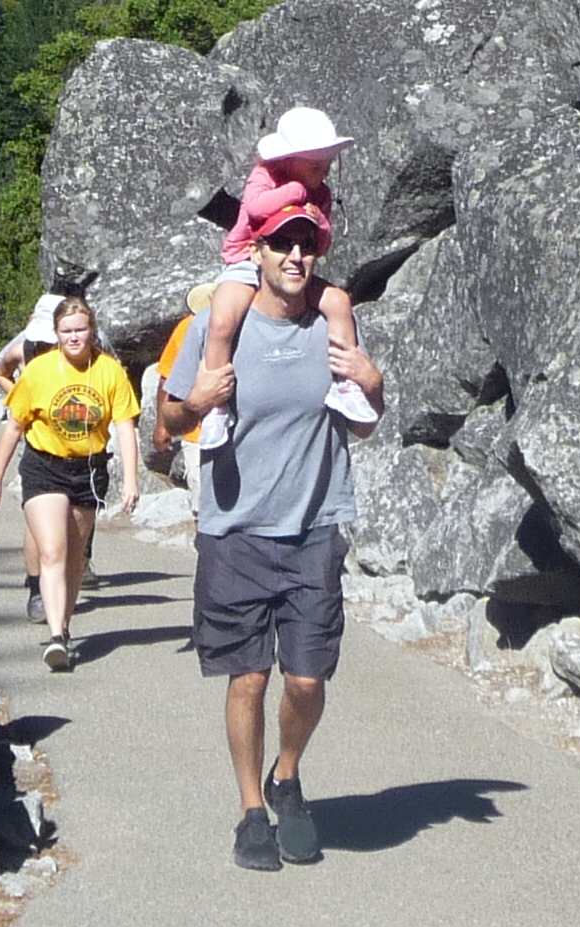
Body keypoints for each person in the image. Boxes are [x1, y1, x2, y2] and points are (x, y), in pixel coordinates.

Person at [160, 204, 383, 871]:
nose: (293, 254)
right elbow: (167, 418)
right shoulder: (216, 325)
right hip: (234, 530)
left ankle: (288, 776)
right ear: (255, 251)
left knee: (307, 680)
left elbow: (362, 422)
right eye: (281, 243)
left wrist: (374, 383)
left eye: (305, 243)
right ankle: (251, 808)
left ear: (318, 251)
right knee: (249, 676)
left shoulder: (332, 324)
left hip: (313, 528)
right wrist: (194, 401)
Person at [198, 106, 375, 450]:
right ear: (288, 159)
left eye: (326, 164)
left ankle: (345, 384)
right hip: (247, 260)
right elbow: (257, 208)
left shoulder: (321, 192)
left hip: (294, 270)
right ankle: (216, 404)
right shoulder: (264, 176)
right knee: (221, 320)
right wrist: (296, 194)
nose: (322, 171)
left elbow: (321, 244)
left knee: (339, 302)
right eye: (314, 165)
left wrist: (318, 221)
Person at [0, 296, 141, 671]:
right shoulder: (38, 371)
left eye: (80, 330)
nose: (74, 337)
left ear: (92, 331)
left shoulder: (109, 371)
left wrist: (131, 479)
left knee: (74, 557)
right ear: (56, 334)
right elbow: (15, 427)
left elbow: (125, 426)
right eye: (66, 331)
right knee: (52, 551)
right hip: (44, 467)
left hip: (88, 469)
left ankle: (64, 628)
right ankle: (55, 637)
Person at [0, 293, 102, 623]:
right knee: (39, 518)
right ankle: (37, 587)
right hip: (41, 446)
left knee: (76, 529)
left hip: (85, 455)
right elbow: (0, 369)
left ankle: (74, 568)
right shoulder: (24, 348)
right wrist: (19, 400)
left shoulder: (95, 347)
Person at [153, 282, 214, 521]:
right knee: (202, 506)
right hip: (196, 433)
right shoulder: (187, 328)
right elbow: (167, 378)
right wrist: (162, 425)